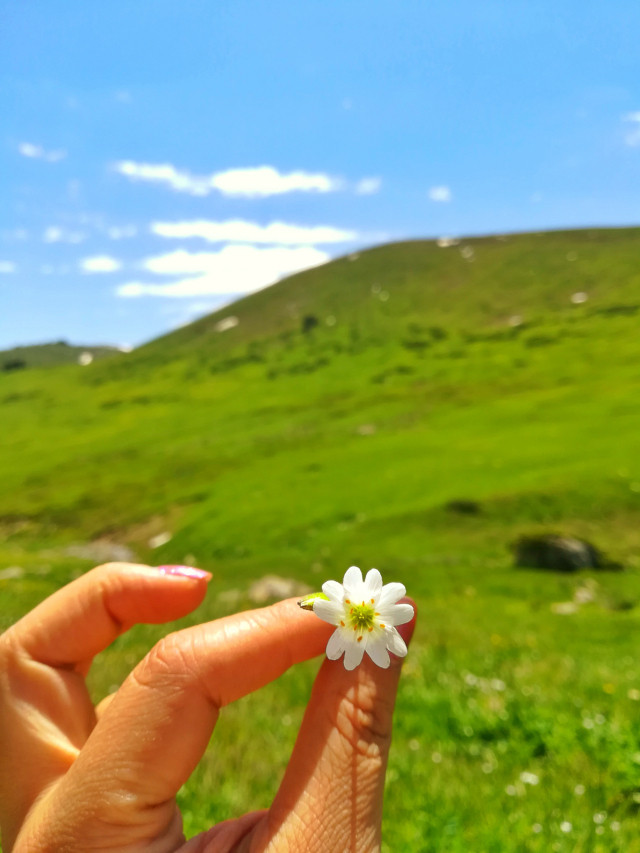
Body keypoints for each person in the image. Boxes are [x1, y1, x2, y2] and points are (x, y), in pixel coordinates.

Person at [0, 562, 416, 852]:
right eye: (361, 616)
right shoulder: (351, 619)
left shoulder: (365, 622)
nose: (363, 617)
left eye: (364, 617)